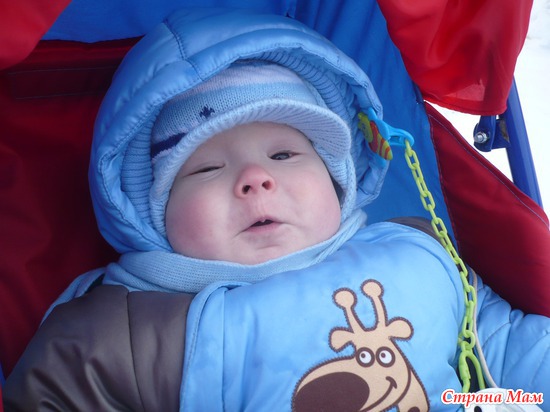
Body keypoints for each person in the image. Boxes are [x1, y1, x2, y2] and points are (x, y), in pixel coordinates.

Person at [4, 7, 549, 412]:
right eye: (206, 168)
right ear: (154, 215)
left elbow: (500, 353)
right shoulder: (129, 330)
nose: (255, 179)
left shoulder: (415, 251)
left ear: (336, 178)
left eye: (284, 155)